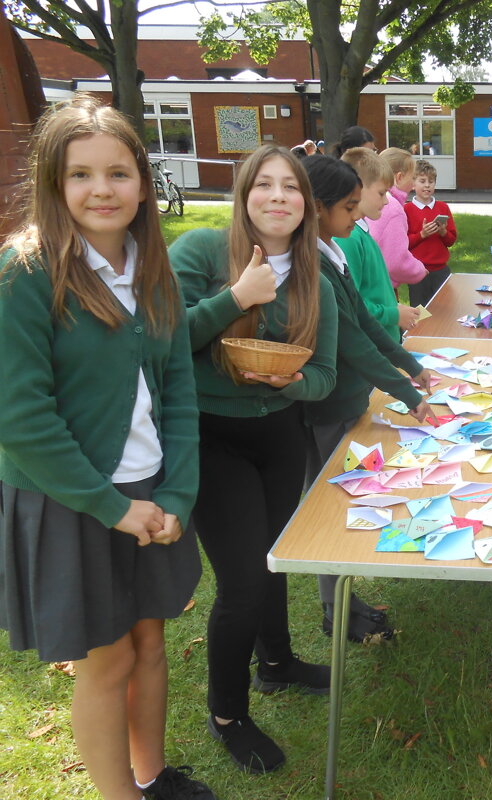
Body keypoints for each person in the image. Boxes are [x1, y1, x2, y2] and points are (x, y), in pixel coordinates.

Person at [0, 95, 214, 800]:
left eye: (118, 173)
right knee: (108, 659)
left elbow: (179, 390)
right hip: (70, 497)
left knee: (151, 644)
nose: (101, 189)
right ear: (55, 185)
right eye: (81, 174)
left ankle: (150, 776)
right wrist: (107, 505)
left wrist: (175, 494)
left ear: (142, 184)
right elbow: (21, 417)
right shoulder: (26, 273)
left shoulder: (152, 268)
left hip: (150, 490)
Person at [169, 144, 338, 774]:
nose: (278, 197)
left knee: (274, 561)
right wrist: (236, 296)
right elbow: (164, 338)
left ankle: (277, 662)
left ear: (305, 203)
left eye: (290, 187)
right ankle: (227, 712)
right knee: (241, 582)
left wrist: (290, 385)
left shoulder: (313, 272)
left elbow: (323, 371)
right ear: (244, 196)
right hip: (212, 436)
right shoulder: (202, 252)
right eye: (263, 185)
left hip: (279, 435)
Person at [301, 154, 433, 641]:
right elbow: (350, 341)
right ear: (318, 208)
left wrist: (411, 366)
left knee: (345, 500)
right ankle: (335, 609)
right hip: (327, 408)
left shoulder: (334, 252)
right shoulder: (312, 263)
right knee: (331, 507)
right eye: (350, 207)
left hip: (348, 402)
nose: (358, 216)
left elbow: (364, 324)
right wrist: (405, 387)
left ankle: (341, 602)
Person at [337, 147, 421, 340]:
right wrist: (393, 314)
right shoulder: (349, 239)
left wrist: (394, 307)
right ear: (357, 189)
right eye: (382, 193)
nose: (386, 201)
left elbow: (373, 292)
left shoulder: (363, 231)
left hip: (384, 347)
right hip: (371, 351)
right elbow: (352, 304)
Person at [367, 147, 427, 292]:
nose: (413, 185)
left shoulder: (374, 199)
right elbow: (396, 261)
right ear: (399, 177)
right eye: (412, 178)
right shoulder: (392, 207)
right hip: (381, 288)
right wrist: (419, 270)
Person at [405, 159, 457, 308]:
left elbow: (451, 240)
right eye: (422, 181)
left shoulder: (442, 207)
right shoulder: (406, 209)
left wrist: (443, 232)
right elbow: (403, 243)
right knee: (420, 311)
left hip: (441, 269)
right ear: (413, 184)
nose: (427, 185)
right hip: (418, 270)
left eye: (431, 181)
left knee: (444, 309)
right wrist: (422, 234)